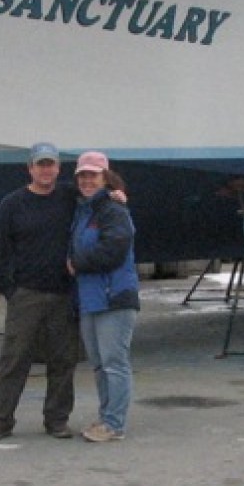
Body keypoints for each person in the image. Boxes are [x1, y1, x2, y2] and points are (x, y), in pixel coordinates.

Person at [0, 142, 80, 441]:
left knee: (63, 361)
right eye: (41, 164)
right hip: (26, 294)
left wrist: (117, 196)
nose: (46, 169)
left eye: (51, 164)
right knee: (14, 360)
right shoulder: (12, 204)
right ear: (30, 168)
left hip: (63, 293)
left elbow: (97, 196)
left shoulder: (68, 197)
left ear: (58, 169)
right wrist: (10, 290)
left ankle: (57, 420)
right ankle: (0, 421)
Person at [67, 151, 140, 443]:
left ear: (105, 178)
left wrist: (77, 263)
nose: (87, 180)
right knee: (99, 363)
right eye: (82, 175)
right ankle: (106, 416)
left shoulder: (113, 210)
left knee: (114, 362)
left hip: (114, 298)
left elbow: (116, 248)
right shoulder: (83, 211)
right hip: (91, 299)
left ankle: (114, 423)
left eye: (93, 175)